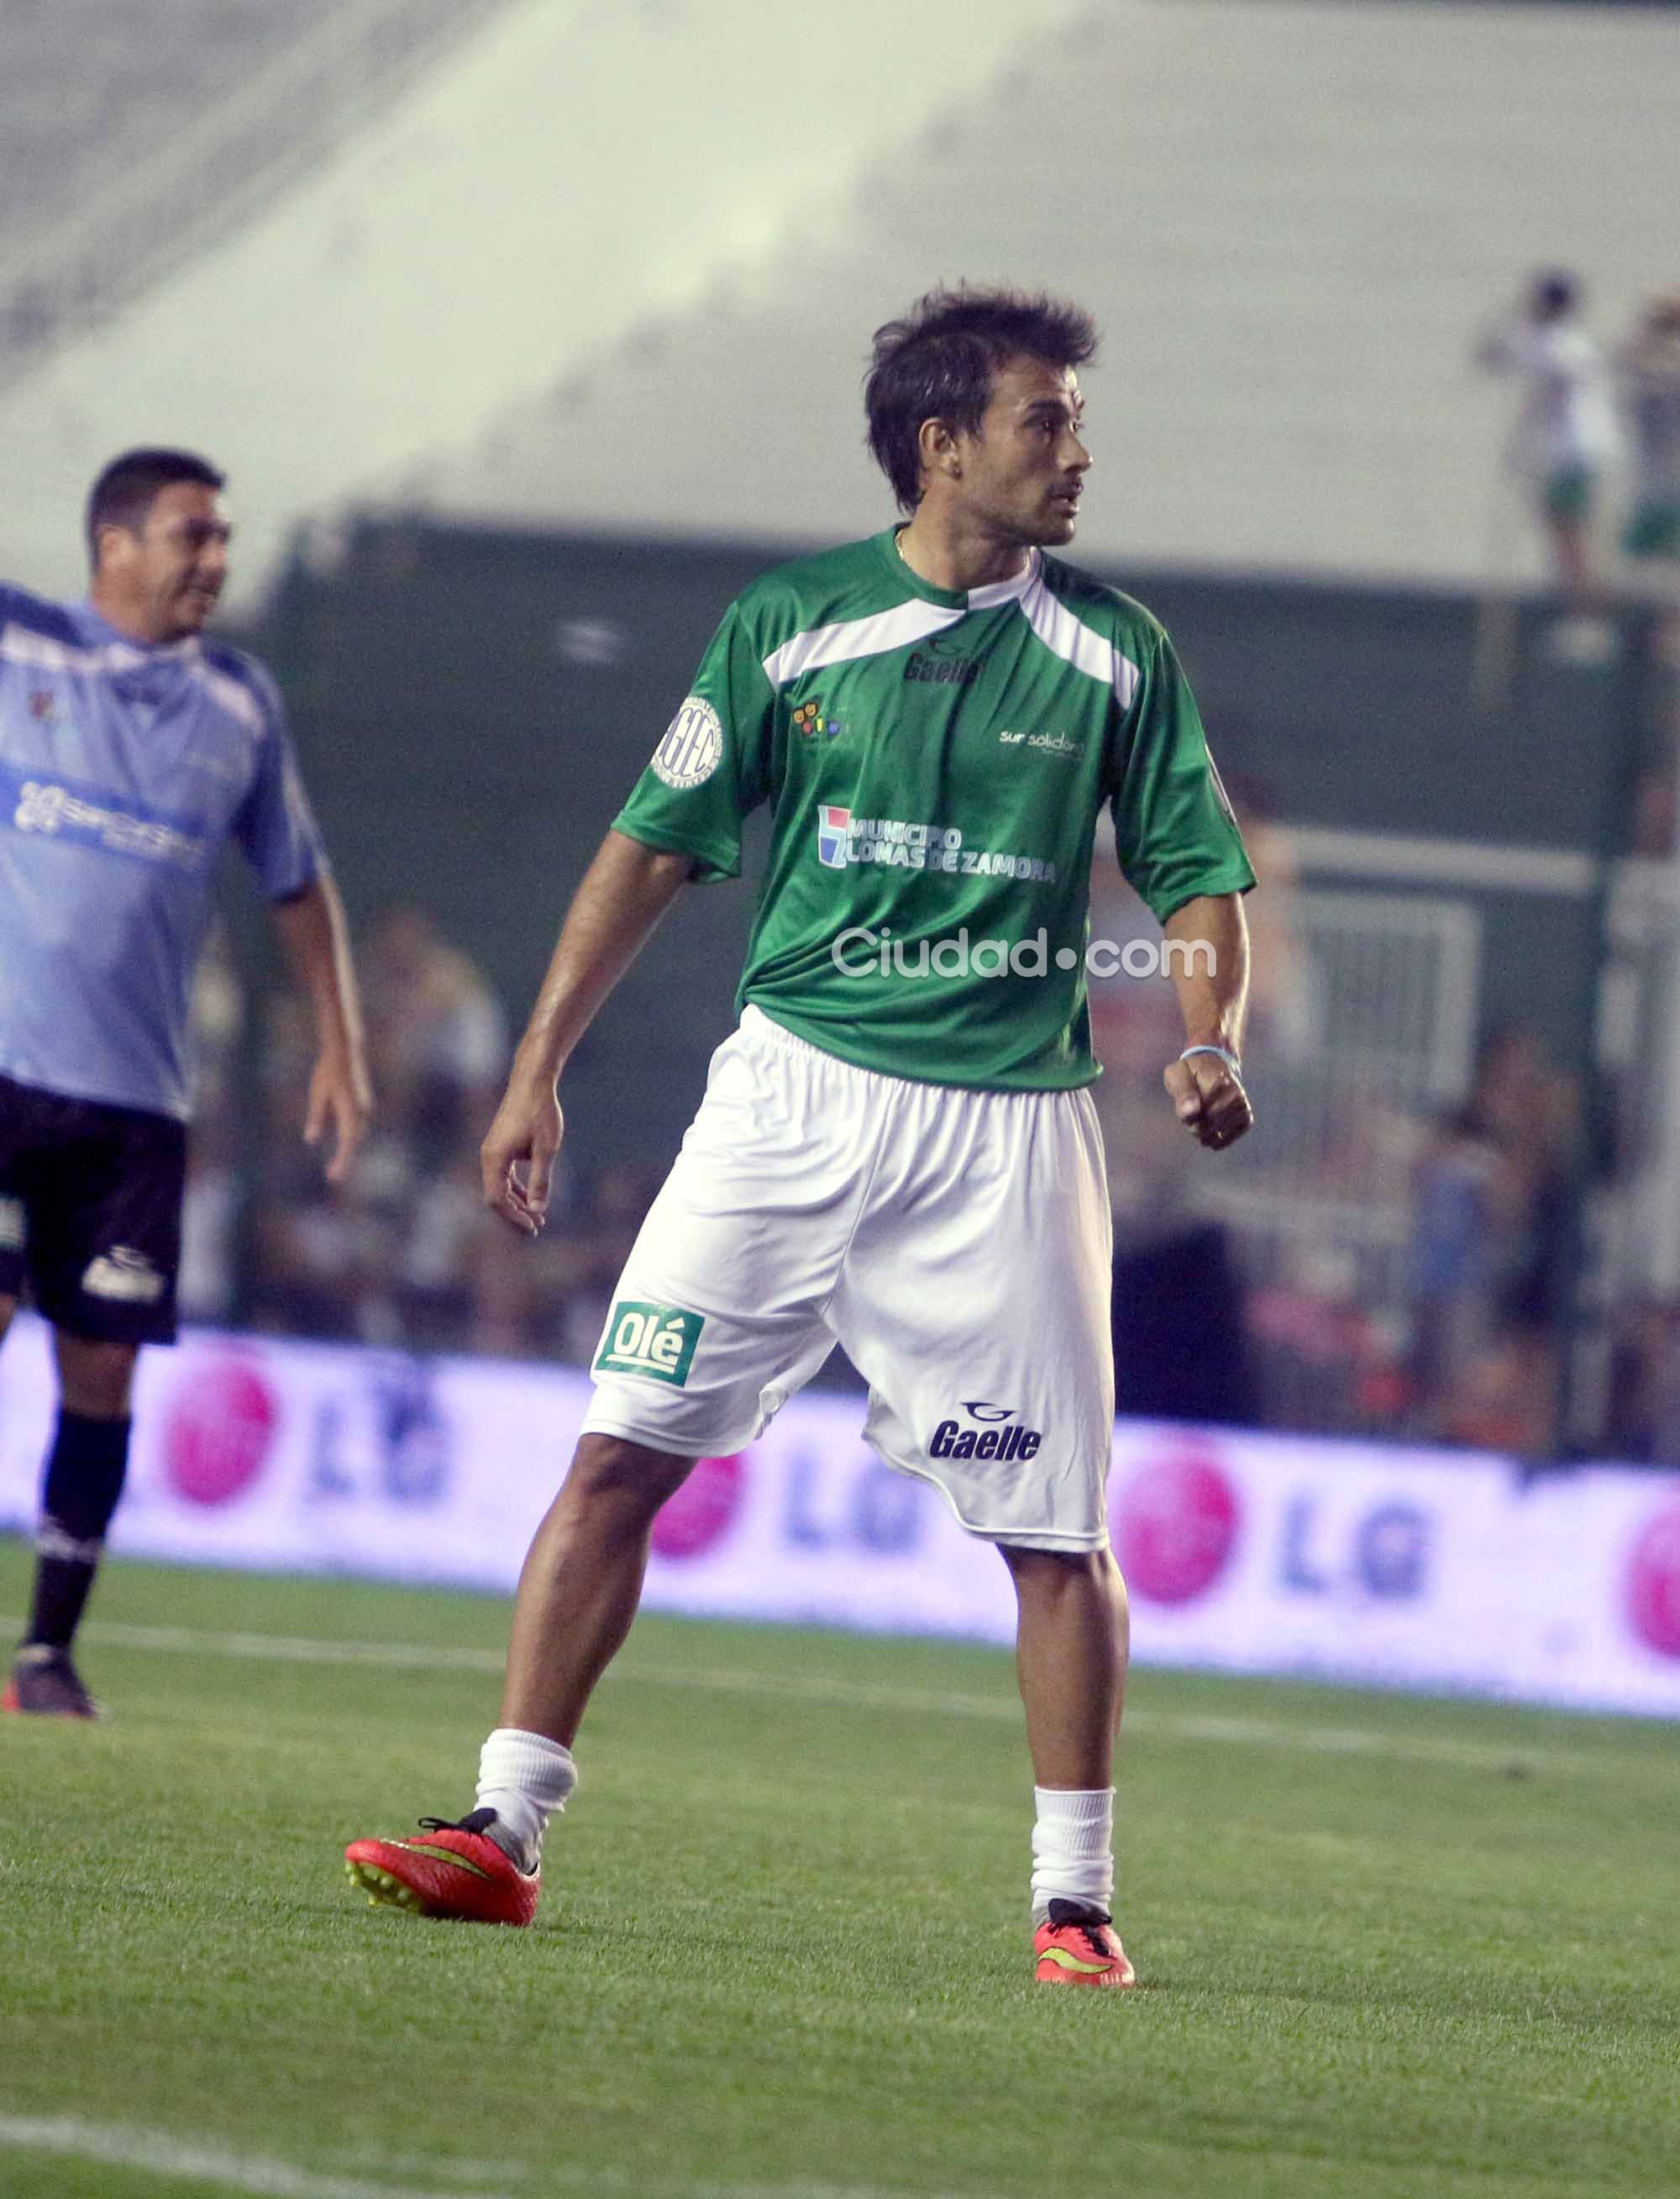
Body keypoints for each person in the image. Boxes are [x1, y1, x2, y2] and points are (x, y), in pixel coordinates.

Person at [344, 286, 1255, 1986]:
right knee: (618, 1451)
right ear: (941, 445)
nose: (1076, 450)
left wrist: (1208, 1038)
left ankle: (1074, 1903)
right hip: (787, 1101)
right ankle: (500, 1828)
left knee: (1056, 1534)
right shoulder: (786, 622)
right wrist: (536, 1065)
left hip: (1004, 1134)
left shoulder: (1116, 650)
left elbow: (1197, 871)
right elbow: (648, 846)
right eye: (1044, 418)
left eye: (1075, 419)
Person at [1, 446, 371, 1717]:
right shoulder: (21, 646)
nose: (216, 558)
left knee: (101, 1372)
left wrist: (340, 1038)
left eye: (221, 538)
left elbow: (296, 879)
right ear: (114, 544)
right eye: (191, 536)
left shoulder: (242, 704)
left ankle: (47, 1653)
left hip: (136, 1109)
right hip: (4, 1074)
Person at [1475, 270, 1620, 640]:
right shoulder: (1547, 340)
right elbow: (1490, 357)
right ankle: (1581, 611)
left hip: (1575, 451)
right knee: (1562, 530)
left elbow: (1499, 357)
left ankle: (1588, 617)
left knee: (1570, 532)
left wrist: (1514, 319)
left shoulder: (1562, 345)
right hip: (1564, 453)